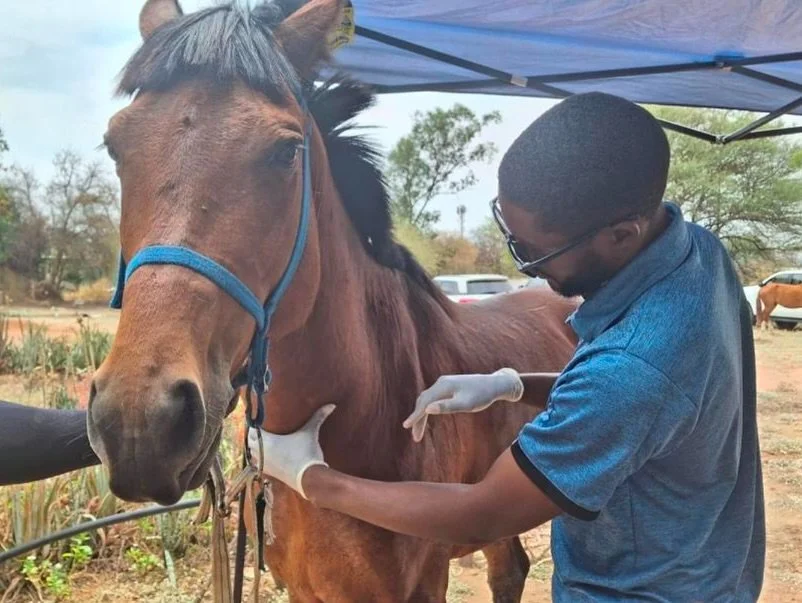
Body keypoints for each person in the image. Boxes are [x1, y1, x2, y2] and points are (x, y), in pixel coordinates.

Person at [247, 92, 765, 601]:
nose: (527, 267)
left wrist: (314, 479)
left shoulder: (631, 372)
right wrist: (511, 385)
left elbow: (485, 514)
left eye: (536, 251)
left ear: (621, 235)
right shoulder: (701, 254)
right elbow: (653, 406)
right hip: (711, 566)